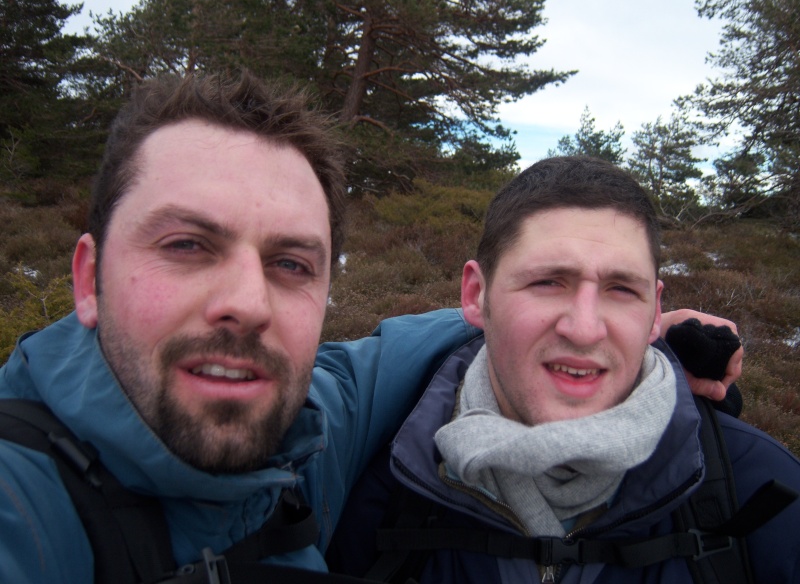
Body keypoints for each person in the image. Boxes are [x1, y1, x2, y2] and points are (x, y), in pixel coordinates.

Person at [0, 71, 741, 584]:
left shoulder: (308, 431)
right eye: (187, 246)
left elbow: (392, 352)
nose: (248, 303)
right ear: (85, 279)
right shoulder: (23, 500)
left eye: (290, 263)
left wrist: (615, 324)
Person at [326, 156, 800, 583]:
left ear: (655, 312)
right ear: (476, 294)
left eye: (620, 289)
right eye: (548, 281)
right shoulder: (379, 483)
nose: (585, 328)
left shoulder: (763, 493)